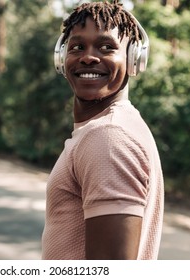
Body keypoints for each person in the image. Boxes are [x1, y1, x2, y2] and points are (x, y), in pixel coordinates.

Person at [41, 0, 164, 260]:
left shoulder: (108, 137)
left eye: (107, 47)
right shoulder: (118, 125)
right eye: (77, 47)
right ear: (62, 59)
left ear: (134, 59)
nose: (88, 57)